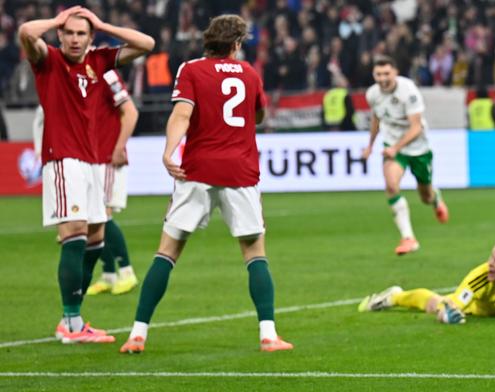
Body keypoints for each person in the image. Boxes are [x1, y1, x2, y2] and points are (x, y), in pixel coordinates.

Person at [120, 15, 293, 354]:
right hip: (240, 171)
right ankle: (269, 335)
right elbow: (258, 115)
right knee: (254, 253)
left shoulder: (191, 70)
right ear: (237, 44)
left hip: (197, 170)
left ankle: (137, 333)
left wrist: (169, 151)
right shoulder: (249, 74)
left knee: (167, 251)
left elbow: (182, 114)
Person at [19, 6, 154, 344]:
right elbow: (26, 32)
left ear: (90, 38)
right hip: (63, 158)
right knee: (76, 232)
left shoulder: (99, 61)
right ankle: (71, 322)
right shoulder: (47, 60)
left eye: (81, 34)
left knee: (96, 235)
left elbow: (146, 44)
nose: (75, 39)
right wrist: (57, 20)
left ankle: (76, 320)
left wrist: (103, 24)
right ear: (60, 36)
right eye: (69, 33)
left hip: (93, 161)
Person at [358, 238, 495, 324]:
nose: (490, 264)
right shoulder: (480, 277)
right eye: (491, 258)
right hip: (479, 311)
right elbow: (451, 307)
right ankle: (394, 296)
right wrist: (448, 315)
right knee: (436, 303)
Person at [362, 55, 449, 255]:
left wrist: (396, 147)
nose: (382, 78)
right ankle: (408, 237)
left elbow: (416, 127)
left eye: (386, 73)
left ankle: (436, 199)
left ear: (395, 72)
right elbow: (376, 118)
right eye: (378, 74)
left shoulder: (408, 91)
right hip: (392, 145)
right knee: (391, 185)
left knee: (425, 196)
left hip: (418, 149)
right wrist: (370, 146)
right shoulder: (373, 94)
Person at [86, 68, 140, 296]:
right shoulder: (76, 73)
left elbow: (130, 112)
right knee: (92, 219)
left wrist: (118, 147)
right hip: (88, 155)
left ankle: (127, 272)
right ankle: (108, 274)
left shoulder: (105, 74)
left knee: (103, 215)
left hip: (106, 156)